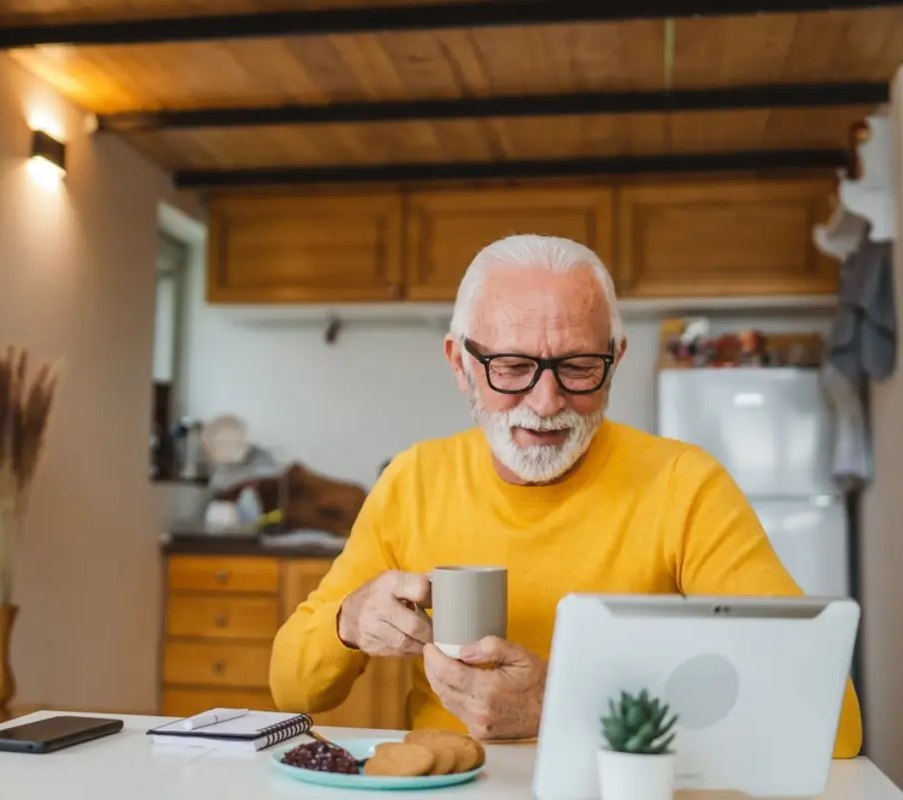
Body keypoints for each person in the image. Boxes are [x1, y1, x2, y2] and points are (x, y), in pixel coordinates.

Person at [267, 234, 863, 757]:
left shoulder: (684, 486)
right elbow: (291, 688)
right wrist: (348, 621)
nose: (546, 402)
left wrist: (565, 701)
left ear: (615, 359)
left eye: (578, 366)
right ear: (459, 363)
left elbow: (832, 724)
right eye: (510, 365)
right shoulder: (413, 479)